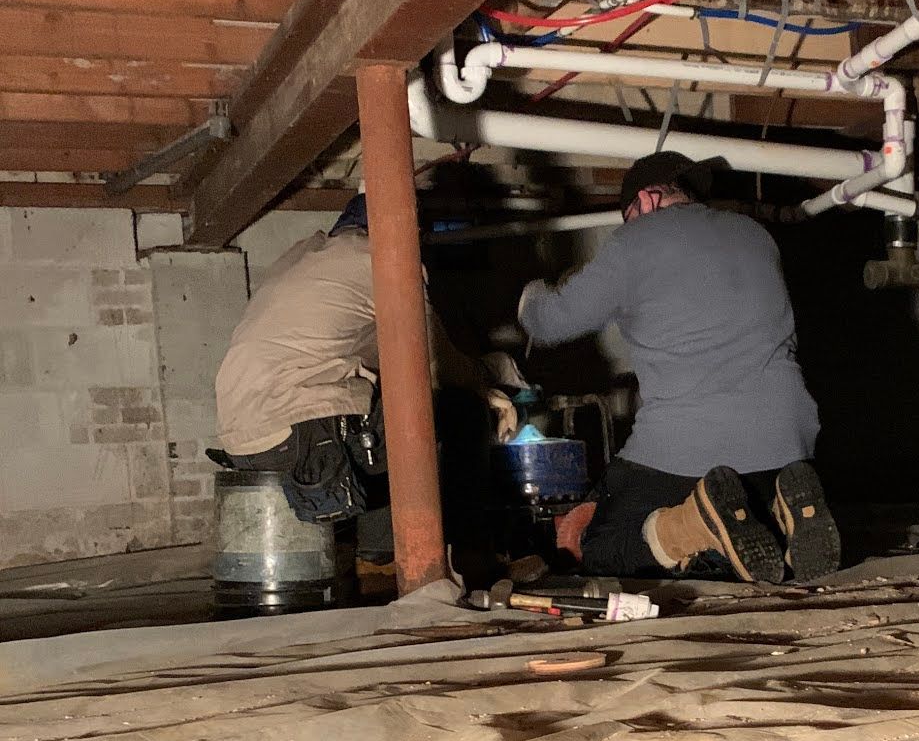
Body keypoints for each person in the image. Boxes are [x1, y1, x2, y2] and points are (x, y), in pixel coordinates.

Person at [517, 151, 839, 583]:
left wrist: (533, 291)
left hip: (688, 443)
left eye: (629, 213)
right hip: (788, 438)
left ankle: (693, 524)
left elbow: (550, 321)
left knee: (601, 548)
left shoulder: (637, 240)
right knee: (745, 524)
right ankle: (783, 521)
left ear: (647, 200)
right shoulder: (756, 235)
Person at [213, 192, 517, 546]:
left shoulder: (300, 256)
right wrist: (488, 387)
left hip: (241, 442)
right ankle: (470, 552)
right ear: (404, 231)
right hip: (300, 435)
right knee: (461, 411)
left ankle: (379, 557)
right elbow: (432, 358)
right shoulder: (385, 258)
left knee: (378, 409)